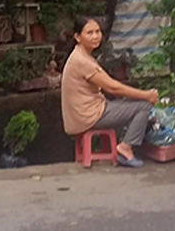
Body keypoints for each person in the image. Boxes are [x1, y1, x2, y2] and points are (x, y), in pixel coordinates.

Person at [61, 17, 158, 168]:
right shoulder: (82, 61)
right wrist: (147, 95)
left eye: (97, 31)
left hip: (84, 114)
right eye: (89, 33)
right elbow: (113, 88)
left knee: (130, 104)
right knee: (143, 106)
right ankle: (125, 148)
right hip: (89, 116)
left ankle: (119, 147)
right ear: (78, 37)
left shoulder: (81, 55)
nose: (95, 36)